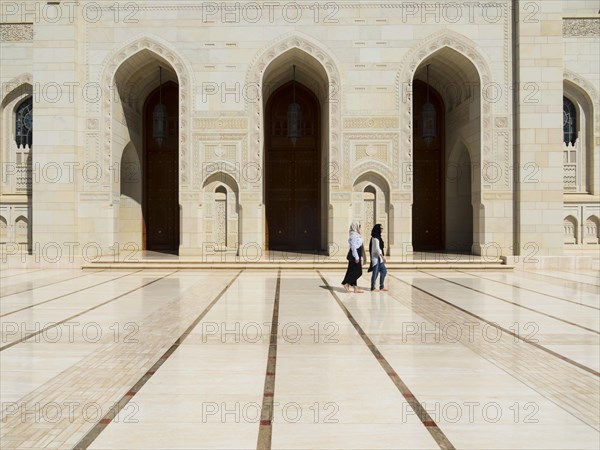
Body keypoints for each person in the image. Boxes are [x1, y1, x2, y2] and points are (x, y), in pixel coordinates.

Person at [341, 221, 364, 293]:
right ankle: (347, 283)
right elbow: (353, 247)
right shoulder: (353, 235)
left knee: (352, 271)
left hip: (356, 254)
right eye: (358, 226)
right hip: (354, 255)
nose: (359, 227)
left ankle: (355, 288)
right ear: (355, 226)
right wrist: (357, 257)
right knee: (359, 272)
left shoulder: (355, 234)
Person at [368, 224, 388, 292]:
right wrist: (383, 257)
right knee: (375, 273)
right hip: (376, 257)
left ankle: (381, 286)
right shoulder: (375, 238)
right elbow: (377, 248)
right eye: (381, 228)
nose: (382, 229)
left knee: (384, 271)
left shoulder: (378, 237)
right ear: (378, 229)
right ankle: (372, 287)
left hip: (379, 258)